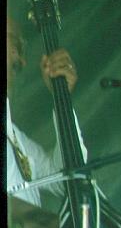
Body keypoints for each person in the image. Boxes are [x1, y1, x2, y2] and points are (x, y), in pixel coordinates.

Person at [6, 14, 86, 206]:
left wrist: (61, 98)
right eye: (17, 46)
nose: (23, 62)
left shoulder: (16, 138)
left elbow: (67, 179)